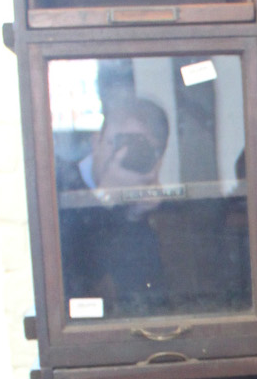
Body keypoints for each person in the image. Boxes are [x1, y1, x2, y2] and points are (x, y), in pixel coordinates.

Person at [58, 97, 172, 316]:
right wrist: (105, 198)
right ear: (96, 141)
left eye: (147, 149)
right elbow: (72, 286)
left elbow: (151, 302)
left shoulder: (156, 208)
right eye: (123, 142)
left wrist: (135, 216)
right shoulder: (61, 185)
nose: (131, 154)